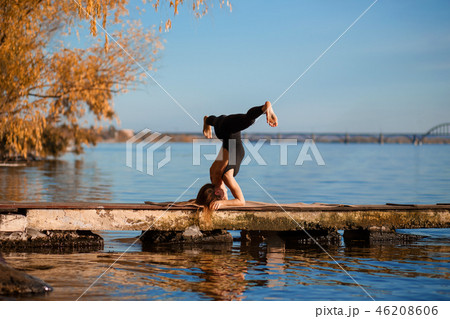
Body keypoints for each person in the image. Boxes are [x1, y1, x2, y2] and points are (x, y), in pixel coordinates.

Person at [195, 101, 278, 210]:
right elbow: (225, 149)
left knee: (248, 119)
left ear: (217, 192)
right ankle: (207, 121)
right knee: (216, 121)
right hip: (220, 130)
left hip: (230, 130)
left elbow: (241, 201)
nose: (227, 197)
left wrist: (223, 204)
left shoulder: (227, 176)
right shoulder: (213, 173)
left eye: (224, 197)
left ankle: (264, 107)